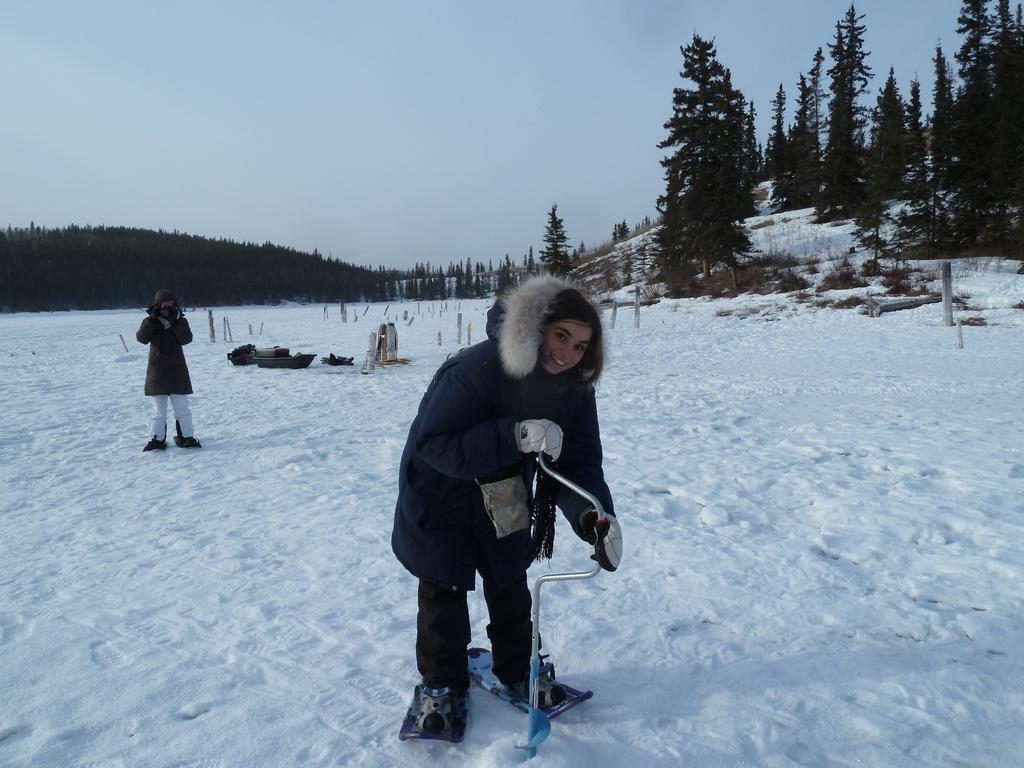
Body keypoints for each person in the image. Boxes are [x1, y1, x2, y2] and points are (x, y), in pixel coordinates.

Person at [392, 274, 623, 734]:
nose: (569, 353)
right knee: (443, 591)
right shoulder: (476, 368)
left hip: (506, 492)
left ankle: (519, 667)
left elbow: (578, 459)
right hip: (440, 494)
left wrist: (592, 515)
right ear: (536, 327)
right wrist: (514, 435)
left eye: (581, 346)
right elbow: (434, 443)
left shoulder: (573, 388)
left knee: (510, 581)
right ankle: (442, 684)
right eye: (562, 336)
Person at [136, 289, 201, 451]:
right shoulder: (150, 321)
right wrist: (152, 320)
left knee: (182, 408)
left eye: (169, 303)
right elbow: (141, 338)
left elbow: (186, 339)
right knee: (158, 411)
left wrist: (175, 322)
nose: (166, 306)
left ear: (174, 304)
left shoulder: (180, 320)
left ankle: (187, 437)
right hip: (157, 372)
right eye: (163, 303)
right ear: (156, 304)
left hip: (177, 371)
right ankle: (157, 440)